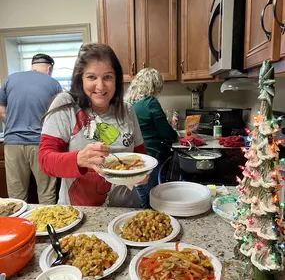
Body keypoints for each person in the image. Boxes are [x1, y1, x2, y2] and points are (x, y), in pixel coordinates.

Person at [38, 43, 148, 207]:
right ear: (80, 78)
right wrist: (79, 159)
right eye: (91, 77)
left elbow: (141, 156)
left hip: (126, 210)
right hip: (79, 212)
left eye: (108, 77)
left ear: (116, 79)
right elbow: (45, 160)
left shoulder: (126, 109)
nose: (100, 86)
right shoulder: (66, 104)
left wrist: (142, 173)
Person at [0, 53, 62, 204]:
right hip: (41, 144)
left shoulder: (11, 79)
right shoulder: (53, 83)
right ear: (49, 68)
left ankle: (18, 227)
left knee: (16, 196)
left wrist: (13, 125)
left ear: (32, 66)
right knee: (46, 193)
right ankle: (47, 227)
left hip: (13, 144)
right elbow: (60, 114)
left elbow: (1, 109)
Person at [125, 67, 178, 207]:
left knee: (140, 192)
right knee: (149, 197)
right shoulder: (150, 102)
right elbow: (167, 133)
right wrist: (175, 134)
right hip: (151, 155)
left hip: (133, 157)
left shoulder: (129, 104)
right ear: (154, 85)